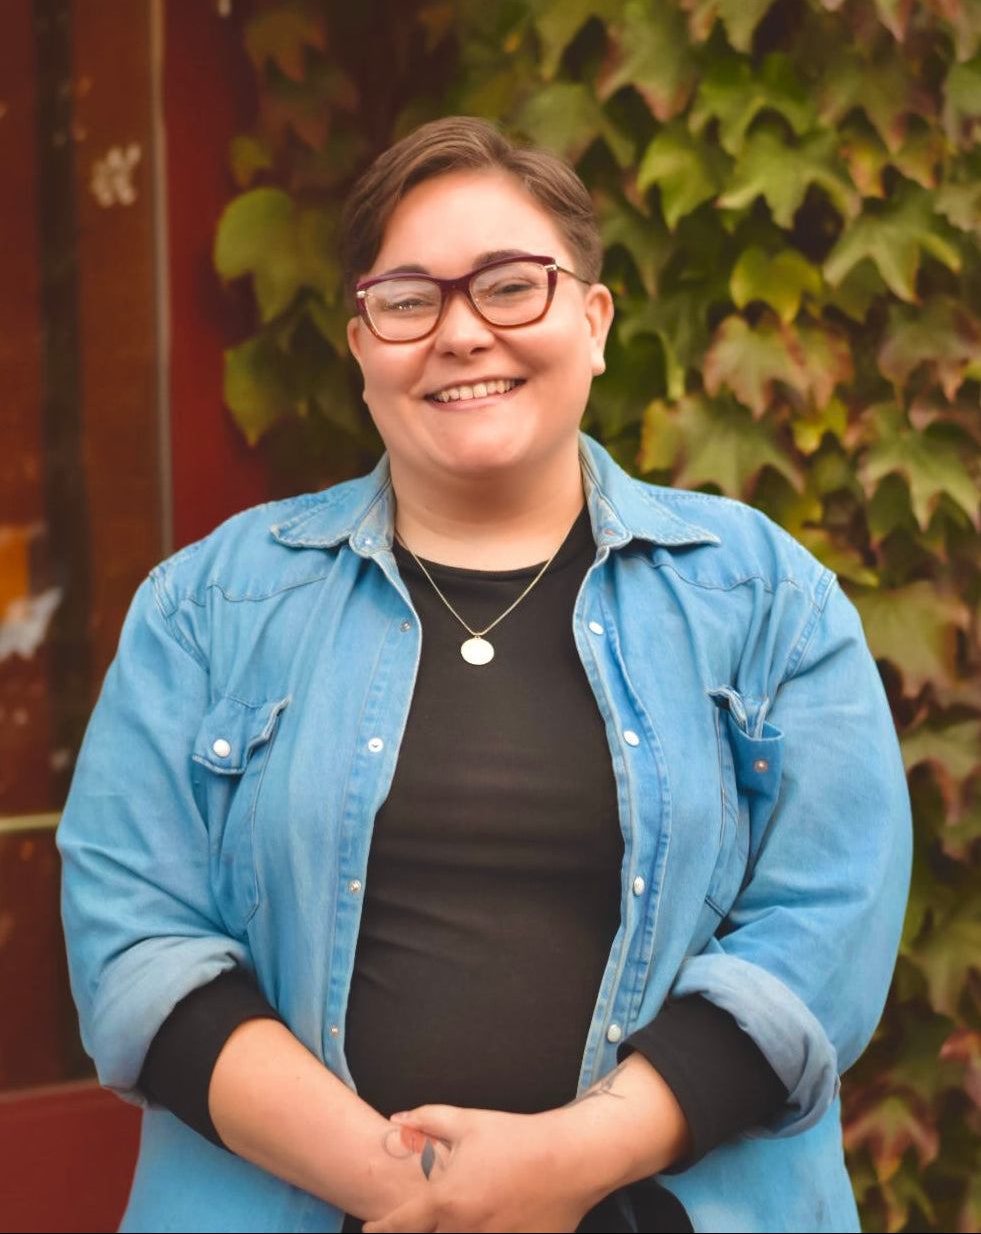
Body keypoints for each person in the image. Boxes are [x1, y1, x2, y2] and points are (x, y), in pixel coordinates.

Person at [58, 116, 911, 1234]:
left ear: (595, 321)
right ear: (361, 342)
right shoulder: (206, 608)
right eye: (408, 299)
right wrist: (410, 1193)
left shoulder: (767, 601)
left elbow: (823, 934)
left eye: (512, 286)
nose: (461, 332)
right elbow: (134, 941)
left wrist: (563, 1167)